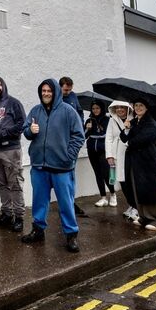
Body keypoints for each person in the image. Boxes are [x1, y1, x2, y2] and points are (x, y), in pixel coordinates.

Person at [20, 79, 84, 253]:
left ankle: (71, 235)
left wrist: (68, 157)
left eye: (49, 91)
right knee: (39, 201)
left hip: (62, 168)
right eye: (43, 91)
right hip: (39, 166)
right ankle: (38, 230)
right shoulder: (35, 111)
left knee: (66, 203)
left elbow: (79, 136)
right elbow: (25, 131)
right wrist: (29, 131)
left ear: (55, 92)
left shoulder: (68, 111)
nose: (46, 94)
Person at [0, 76, 26, 232]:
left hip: (10, 150)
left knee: (15, 183)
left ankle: (19, 216)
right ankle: (7, 214)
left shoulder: (13, 103)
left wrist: (2, 133)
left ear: (3, 86)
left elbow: (22, 124)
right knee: (1, 184)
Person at [121, 100, 156, 231]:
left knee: (149, 189)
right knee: (137, 189)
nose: (138, 108)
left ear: (146, 108)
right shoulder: (134, 122)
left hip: (146, 161)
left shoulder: (150, 122)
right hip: (134, 161)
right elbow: (123, 137)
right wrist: (127, 129)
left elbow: (146, 137)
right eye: (136, 105)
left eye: (141, 105)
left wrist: (130, 143)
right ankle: (143, 217)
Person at [58, 77, 89, 216]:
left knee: (70, 173)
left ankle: (70, 202)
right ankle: (65, 203)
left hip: (72, 141)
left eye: (70, 89)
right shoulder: (55, 98)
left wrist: (80, 129)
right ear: (60, 87)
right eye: (65, 90)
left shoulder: (73, 96)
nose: (68, 92)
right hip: (60, 141)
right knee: (61, 174)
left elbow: (79, 112)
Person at [83, 102, 113, 205]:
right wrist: (87, 129)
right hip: (92, 151)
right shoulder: (89, 120)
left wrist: (101, 131)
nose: (95, 110)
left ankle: (113, 194)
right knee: (98, 174)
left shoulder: (107, 120)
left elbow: (110, 135)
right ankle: (103, 197)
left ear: (102, 109)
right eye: (93, 108)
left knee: (106, 173)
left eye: (97, 108)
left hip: (103, 150)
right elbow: (84, 136)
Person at [104, 101, 130, 216]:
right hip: (116, 154)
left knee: (131, 180)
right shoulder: (111, 120)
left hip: (130, 153)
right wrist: (109, 155)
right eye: (117, 107)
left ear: (127, 108)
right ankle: (131, 204)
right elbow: (108, 138)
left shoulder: (133, 119)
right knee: (121, 180)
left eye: (122, 107)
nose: (119, 109)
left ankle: (135, 206)